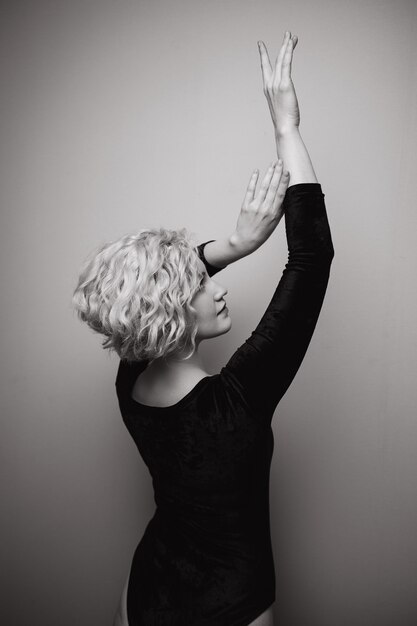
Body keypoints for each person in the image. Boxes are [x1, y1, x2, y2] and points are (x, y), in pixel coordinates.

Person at [72, 30, 334, 626]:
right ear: (169, 313)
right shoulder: (235, 402)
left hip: (143, 597)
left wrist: (238, 241)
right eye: (199, 284)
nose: (216, 283)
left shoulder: (130, 381)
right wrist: (287, 130)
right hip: (232, 610)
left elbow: (146, 294)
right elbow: (312, 258)